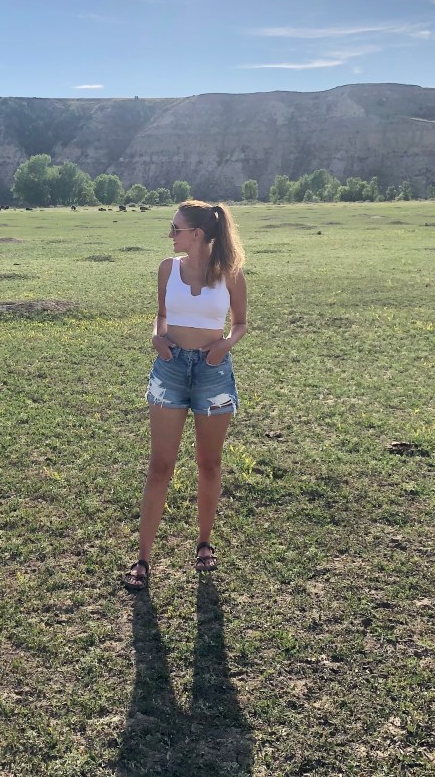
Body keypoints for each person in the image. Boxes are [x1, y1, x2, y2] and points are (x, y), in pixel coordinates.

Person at [124, 200, 248, 590]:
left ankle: (204, 543)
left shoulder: (230, 273)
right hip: (171, 368)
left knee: (209, 464)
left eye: (175, 228)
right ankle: (143, 559)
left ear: (196, 234)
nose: (170, 234)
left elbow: (240, 323)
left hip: (213, 371)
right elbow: (161, 315)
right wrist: (156, 336)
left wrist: (224, 345)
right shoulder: (167, 268)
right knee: (160, 466)